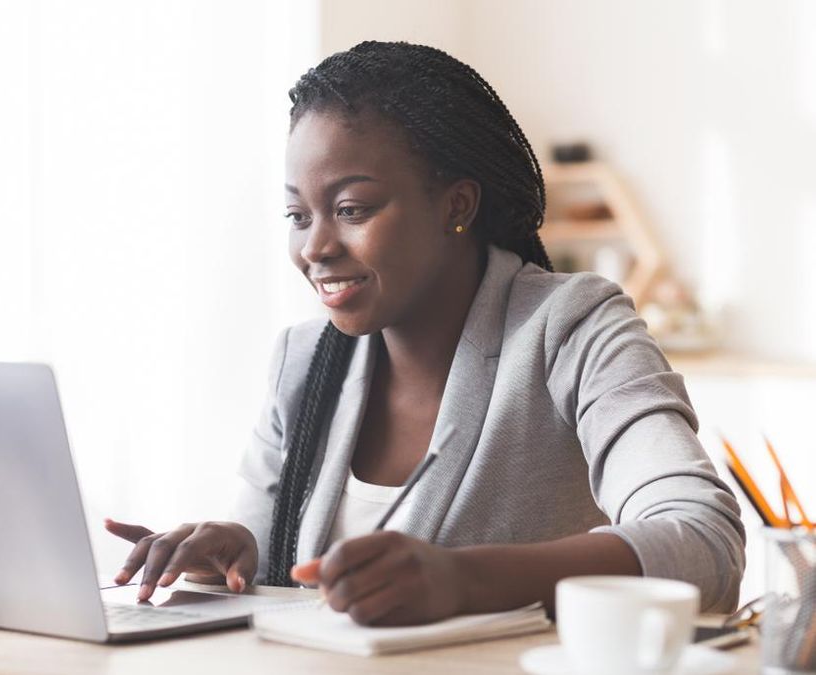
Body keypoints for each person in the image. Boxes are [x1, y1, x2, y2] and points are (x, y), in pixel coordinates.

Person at [105, 40, 745, 626]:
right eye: (298, 215)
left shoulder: (572, 326)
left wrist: (464, 580)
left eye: (351, 209)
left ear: (456, 206)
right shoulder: (302, 359)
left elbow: (703, 542)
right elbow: (274, 580)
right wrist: (234, 552)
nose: (316, 247)